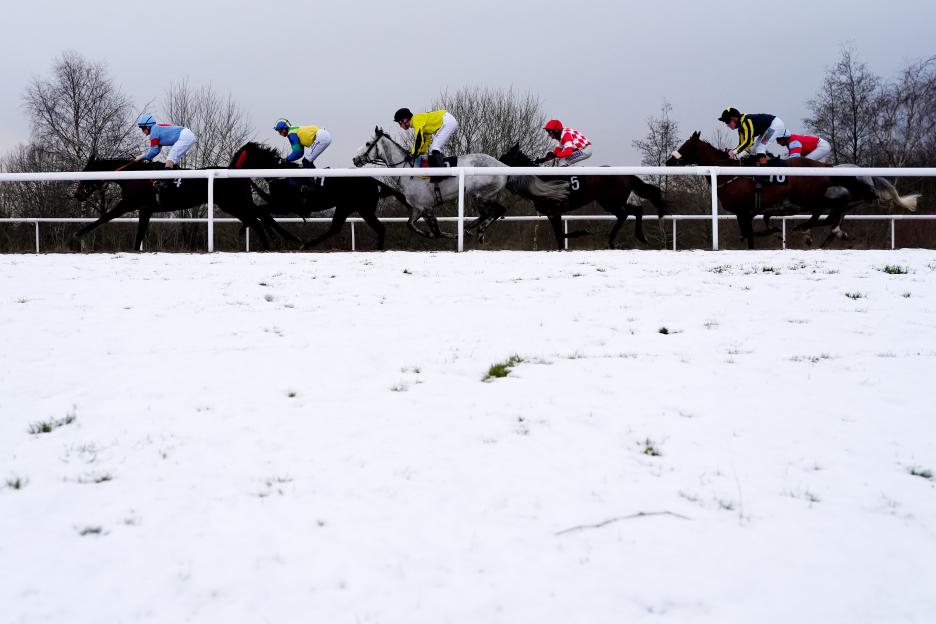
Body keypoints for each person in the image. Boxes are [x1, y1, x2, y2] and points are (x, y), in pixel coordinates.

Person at [393, 108, 459, 171]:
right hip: (447, 120)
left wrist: (412, 154)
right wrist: (420, 153)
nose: (400, 126)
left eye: (400, 123)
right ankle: (442, 168)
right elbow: (425, 141)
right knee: (433, 148)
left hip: (447, 121)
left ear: (405, 119)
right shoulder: (418, 123)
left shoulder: (416, 119)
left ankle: (443, 171)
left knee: (434, 148)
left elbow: (419, 139)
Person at [717, 107, 786, 164]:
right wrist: (736, 155)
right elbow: (742, 144)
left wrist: (734, 152)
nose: (727, 125)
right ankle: (760, 167)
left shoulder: (746, 121)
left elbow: (749, 142)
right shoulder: (740, 128)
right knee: (752, 150)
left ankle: (765, 175)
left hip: (775, 125)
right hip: (767, 128)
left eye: (727, 122)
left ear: (734, 118)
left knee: (760, 148)